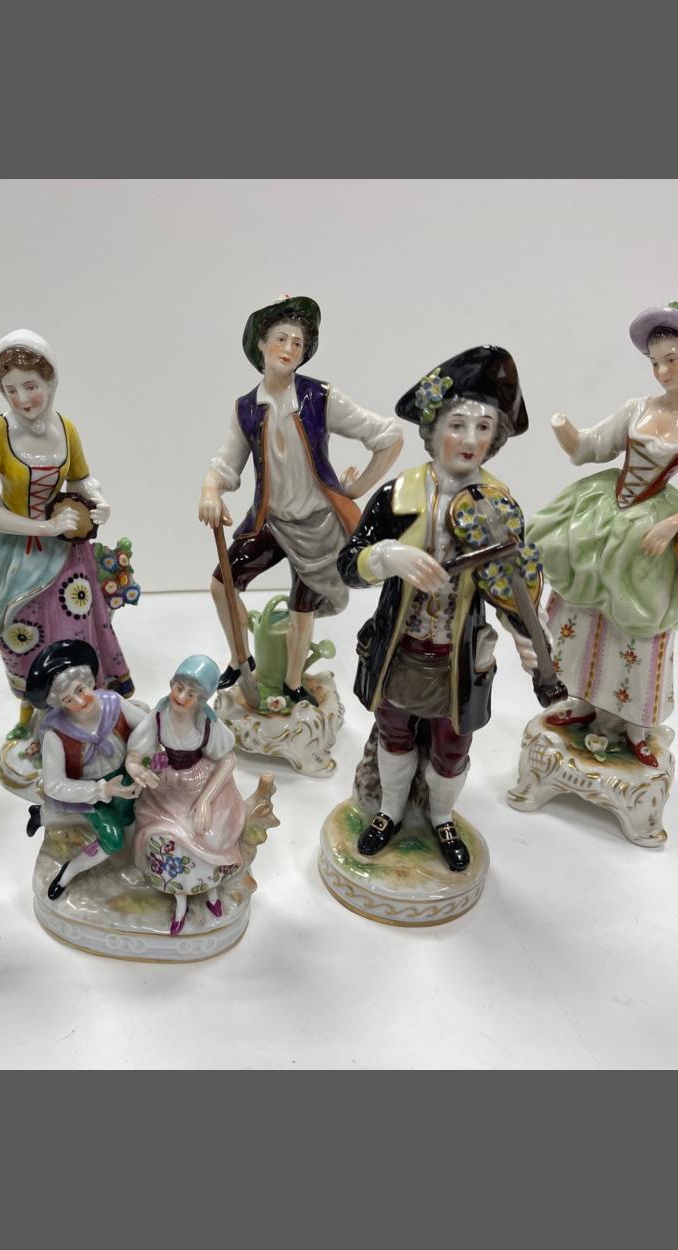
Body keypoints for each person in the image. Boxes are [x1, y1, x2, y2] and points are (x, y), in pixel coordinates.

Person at [338, 346, 541, 871]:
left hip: (459, 657)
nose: (470, 439)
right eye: (458, 425)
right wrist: (390, 555)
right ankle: (389, 809)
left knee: (453, 745)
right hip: (400, 648)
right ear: (433, 430)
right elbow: (348, 563)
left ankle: (442, 816)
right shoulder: (398, 494)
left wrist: (524, 635)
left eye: (483, 427)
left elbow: (511, 583)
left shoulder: (498, 505)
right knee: (394, 732)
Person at [526, 302, 678, 766]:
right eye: (655, 362)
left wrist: (675, 522)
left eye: (672, 360)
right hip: (603, 518)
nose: (662, 371)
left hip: (649, 533)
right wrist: (564, 428)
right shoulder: (636, 409)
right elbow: (589, 448)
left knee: (638, 625)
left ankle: (634, 722)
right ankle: (582, 700)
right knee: (583, 611)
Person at [198, 295, 402, 704]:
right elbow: (225, 465)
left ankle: (293, 684)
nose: (288, 349)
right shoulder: (246, 409)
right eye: (281, 338)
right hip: (271, 522)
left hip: (318, 526)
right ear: (261, 344)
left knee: (301, 608)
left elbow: (388, 436)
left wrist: (357, 488)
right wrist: (210, 490)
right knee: (223, 584)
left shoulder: (320, 397)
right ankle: (241, 659)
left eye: (297, 343)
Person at [0, 330, 134, 740]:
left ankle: (80, 713)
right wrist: (42, 527)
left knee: (73, 627)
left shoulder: (66, 429)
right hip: (12, 556)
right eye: (11, 389)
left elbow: (82, 479)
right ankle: (30, 714)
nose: (22, 399)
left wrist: (98, 502)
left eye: (31, 385)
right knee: (25, 636)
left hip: (66, 550)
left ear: (51, 381)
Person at [124, 655, 246, 935]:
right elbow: (136, 753)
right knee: (167, 838)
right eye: (179, 688)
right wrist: (136, 767)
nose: (181, 697)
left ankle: (212, 890)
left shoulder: (207, 723)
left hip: (200, 784)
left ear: (202, 699)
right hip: (165, 789)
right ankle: (180, 900)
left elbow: (228, 759)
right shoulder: (158, 716)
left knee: (206, 833)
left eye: (191, 694)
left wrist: (205, 801)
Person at [27, 640, 149, 900]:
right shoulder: (56, 734)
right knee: (112, 840)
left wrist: (138, 759)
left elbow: (147, 727)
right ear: (59, 704)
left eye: (81, 690)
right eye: (68, 699)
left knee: (135, 817)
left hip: (126, 774)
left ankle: (133, 864)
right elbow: (54, 785)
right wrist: (100, 789)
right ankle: (68, 872)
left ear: (89, 682)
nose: (80, 701)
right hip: (91, 792)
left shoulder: (113, 704)